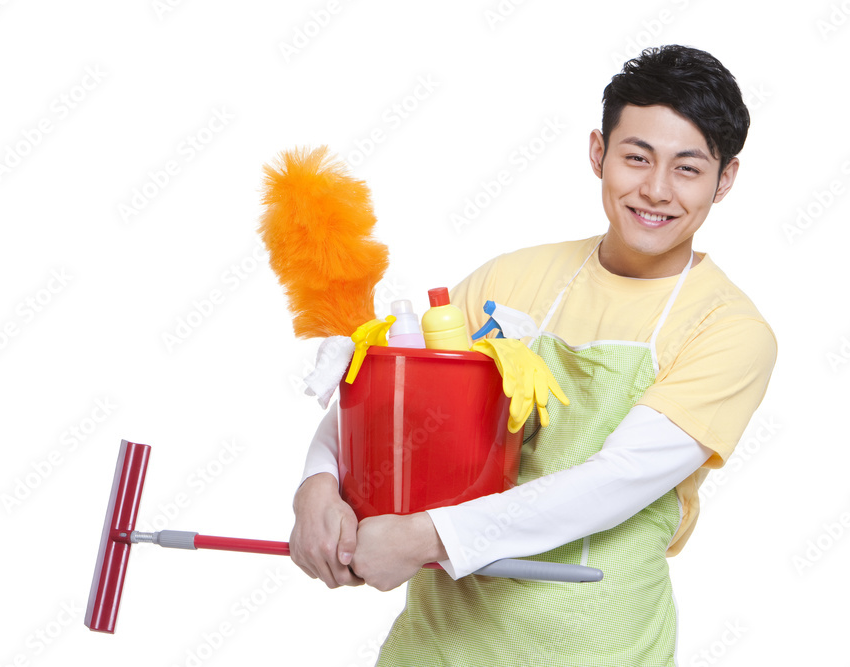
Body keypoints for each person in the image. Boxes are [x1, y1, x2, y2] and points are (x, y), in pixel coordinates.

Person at [290, 44, 777, 665]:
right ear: (598, 153)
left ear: (725, 178)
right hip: (442, 640)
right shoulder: (511, 279)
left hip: (593, 641)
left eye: (687, 168)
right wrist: (318, 485)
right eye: (636, 157)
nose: (655, 190)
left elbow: (609, 484)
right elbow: (392, 394)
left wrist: (422, 536)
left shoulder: (728, 330)